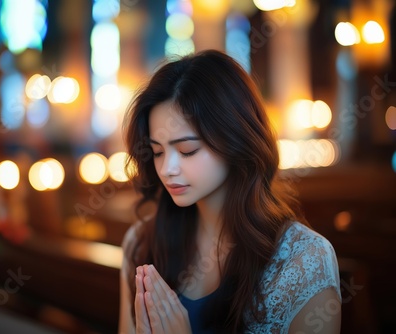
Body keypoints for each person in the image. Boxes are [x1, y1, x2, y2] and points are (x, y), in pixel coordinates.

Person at [118, 49, 341, 334]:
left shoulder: (304, 260)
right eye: (157, 152)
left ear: (236, 140)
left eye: (187, 150)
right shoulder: (140, 243)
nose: (167, 169)